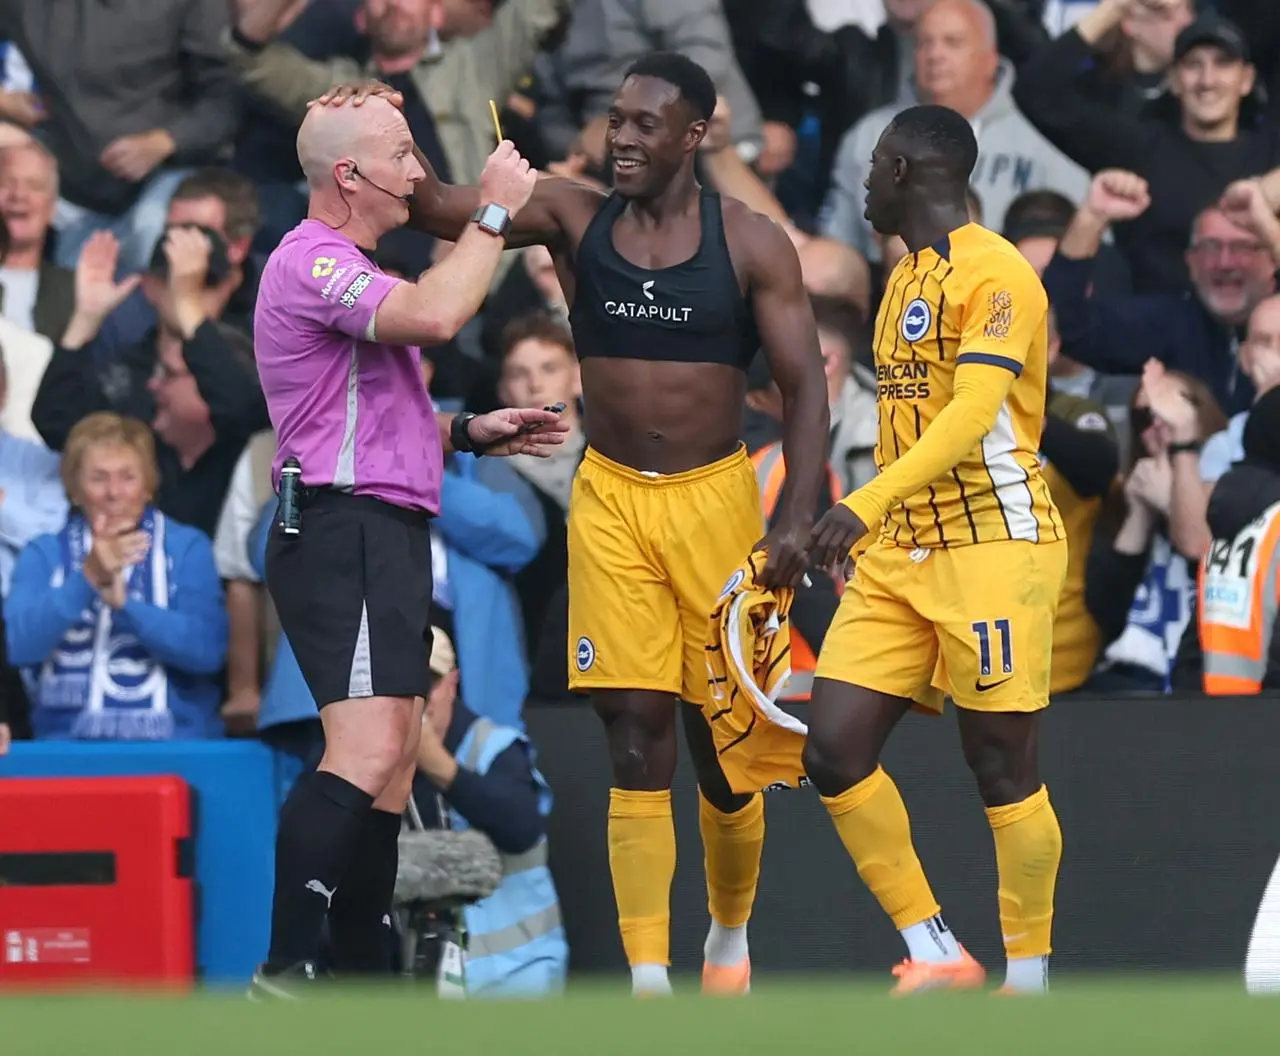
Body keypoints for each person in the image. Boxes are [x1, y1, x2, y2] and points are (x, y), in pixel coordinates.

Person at [318, 51, 830, 997]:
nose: (623, 138)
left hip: (718, 503)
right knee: (634, 738)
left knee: (725, 757)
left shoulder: (753, 240)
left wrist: (794, 520)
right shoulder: (567, 211)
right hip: (611, 501)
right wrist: (382, 130)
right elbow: (434, 206)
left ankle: (725, 937)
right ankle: (646, 977)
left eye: (645, 124)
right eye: (615, 119)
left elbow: (806, 391)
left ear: (695, 134)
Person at [249, 93, 568, 996]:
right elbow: (437, 315)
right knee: (361, 752)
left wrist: (468, 433)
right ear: (348, 176)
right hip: (340, 529)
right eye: (401, 154)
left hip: (380, 527)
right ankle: (283, 973)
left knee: (390, 760)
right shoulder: (312, 259)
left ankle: (365, 982)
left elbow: (366, 418)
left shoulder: (347, 263)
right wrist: (496, 207)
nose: (419, 172)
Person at [801, 105, 1068, 995]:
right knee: (833, 749)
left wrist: (861, 504)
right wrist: (873, 522)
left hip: (995, 541)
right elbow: (905, 422)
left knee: (999, 763)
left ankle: (1028, 983)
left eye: (874, 169)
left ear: (906, 168)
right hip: (902, 552)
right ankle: (936, 948)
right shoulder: (906, 276)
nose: (865, 187)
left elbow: (970, 415)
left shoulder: (1001, 275)